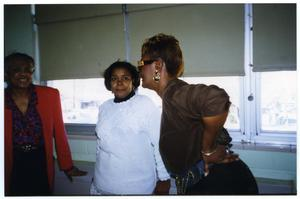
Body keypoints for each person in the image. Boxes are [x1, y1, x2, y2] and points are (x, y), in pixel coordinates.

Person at [138, 33, 259, 195]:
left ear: (158, 66)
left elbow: (217, 99)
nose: (139, 68)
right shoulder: (172, 96)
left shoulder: (174, 94)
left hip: (217, 184)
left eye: (141, 63)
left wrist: (207, 150)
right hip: (212, 181)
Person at [4, 52, 87, 196]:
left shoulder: (50, 95)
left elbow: (59, 133)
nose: (23, 74)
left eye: (27, 69)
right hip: (11, 160)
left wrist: (67, 166)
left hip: (40, 159)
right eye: (16, 70)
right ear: (6, 74)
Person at [90, 61, 170, 195]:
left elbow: (159, 142)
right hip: (102, 185)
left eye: (125, 78)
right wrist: (96, 176)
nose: (119, 82)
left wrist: (164, 178)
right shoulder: (104, 107)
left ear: (134, 80)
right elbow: (100, 144)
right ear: (109, 83)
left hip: (136, 188)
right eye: (114, 78)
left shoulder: (145, 104)